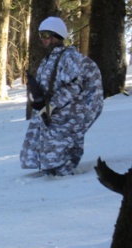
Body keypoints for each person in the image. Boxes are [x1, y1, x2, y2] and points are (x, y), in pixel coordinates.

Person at [21, 17, 103, 176]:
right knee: (48, 155)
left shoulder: (68, 57)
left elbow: (73, 86)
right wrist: (37, 100)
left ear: (57, 35)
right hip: (50, 116)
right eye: (41, 35)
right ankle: (50, 182)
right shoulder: (48, 59)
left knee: (61, 155)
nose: (43, 39)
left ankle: (65, 188)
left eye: (46, 35)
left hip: (65, 116)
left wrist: (51, 105)